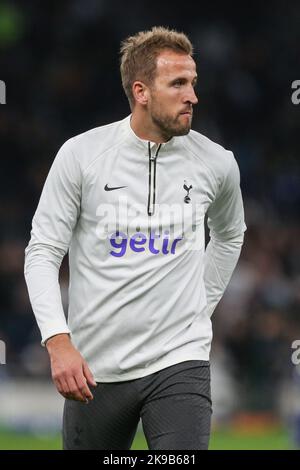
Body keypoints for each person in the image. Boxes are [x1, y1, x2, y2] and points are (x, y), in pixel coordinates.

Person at [24, 26, 246, 450]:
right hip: (95, 366)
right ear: (141, 91)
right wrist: (57, 341)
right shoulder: (81, 155)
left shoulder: (218, 163)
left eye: (193, 83)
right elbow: (43, 252)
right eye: (178, 84)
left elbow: (230, 235)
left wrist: (199, 302)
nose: (192, 96)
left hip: (180, 358)